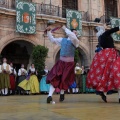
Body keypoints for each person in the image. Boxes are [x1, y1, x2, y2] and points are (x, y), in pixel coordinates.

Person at [45, 25, 79, 103]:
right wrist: (49, 32)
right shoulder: (62, 40)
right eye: (74, 32)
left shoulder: (76, 41)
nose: (75, 33)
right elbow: (52, 40)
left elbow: (72, 37)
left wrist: (65, 28)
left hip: (69, 64)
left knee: (65, 79)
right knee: (55, 78)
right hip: (61, 62)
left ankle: (62, 93)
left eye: (76, 33)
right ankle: (49, 95)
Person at [87, 26, 120, 103]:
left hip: (104, 55)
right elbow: (112, 30)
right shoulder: (105, 34)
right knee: (114, 73)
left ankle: (103, 93)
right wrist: (118, 27)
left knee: (105, 74)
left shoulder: (100, 38)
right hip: (111, 54)